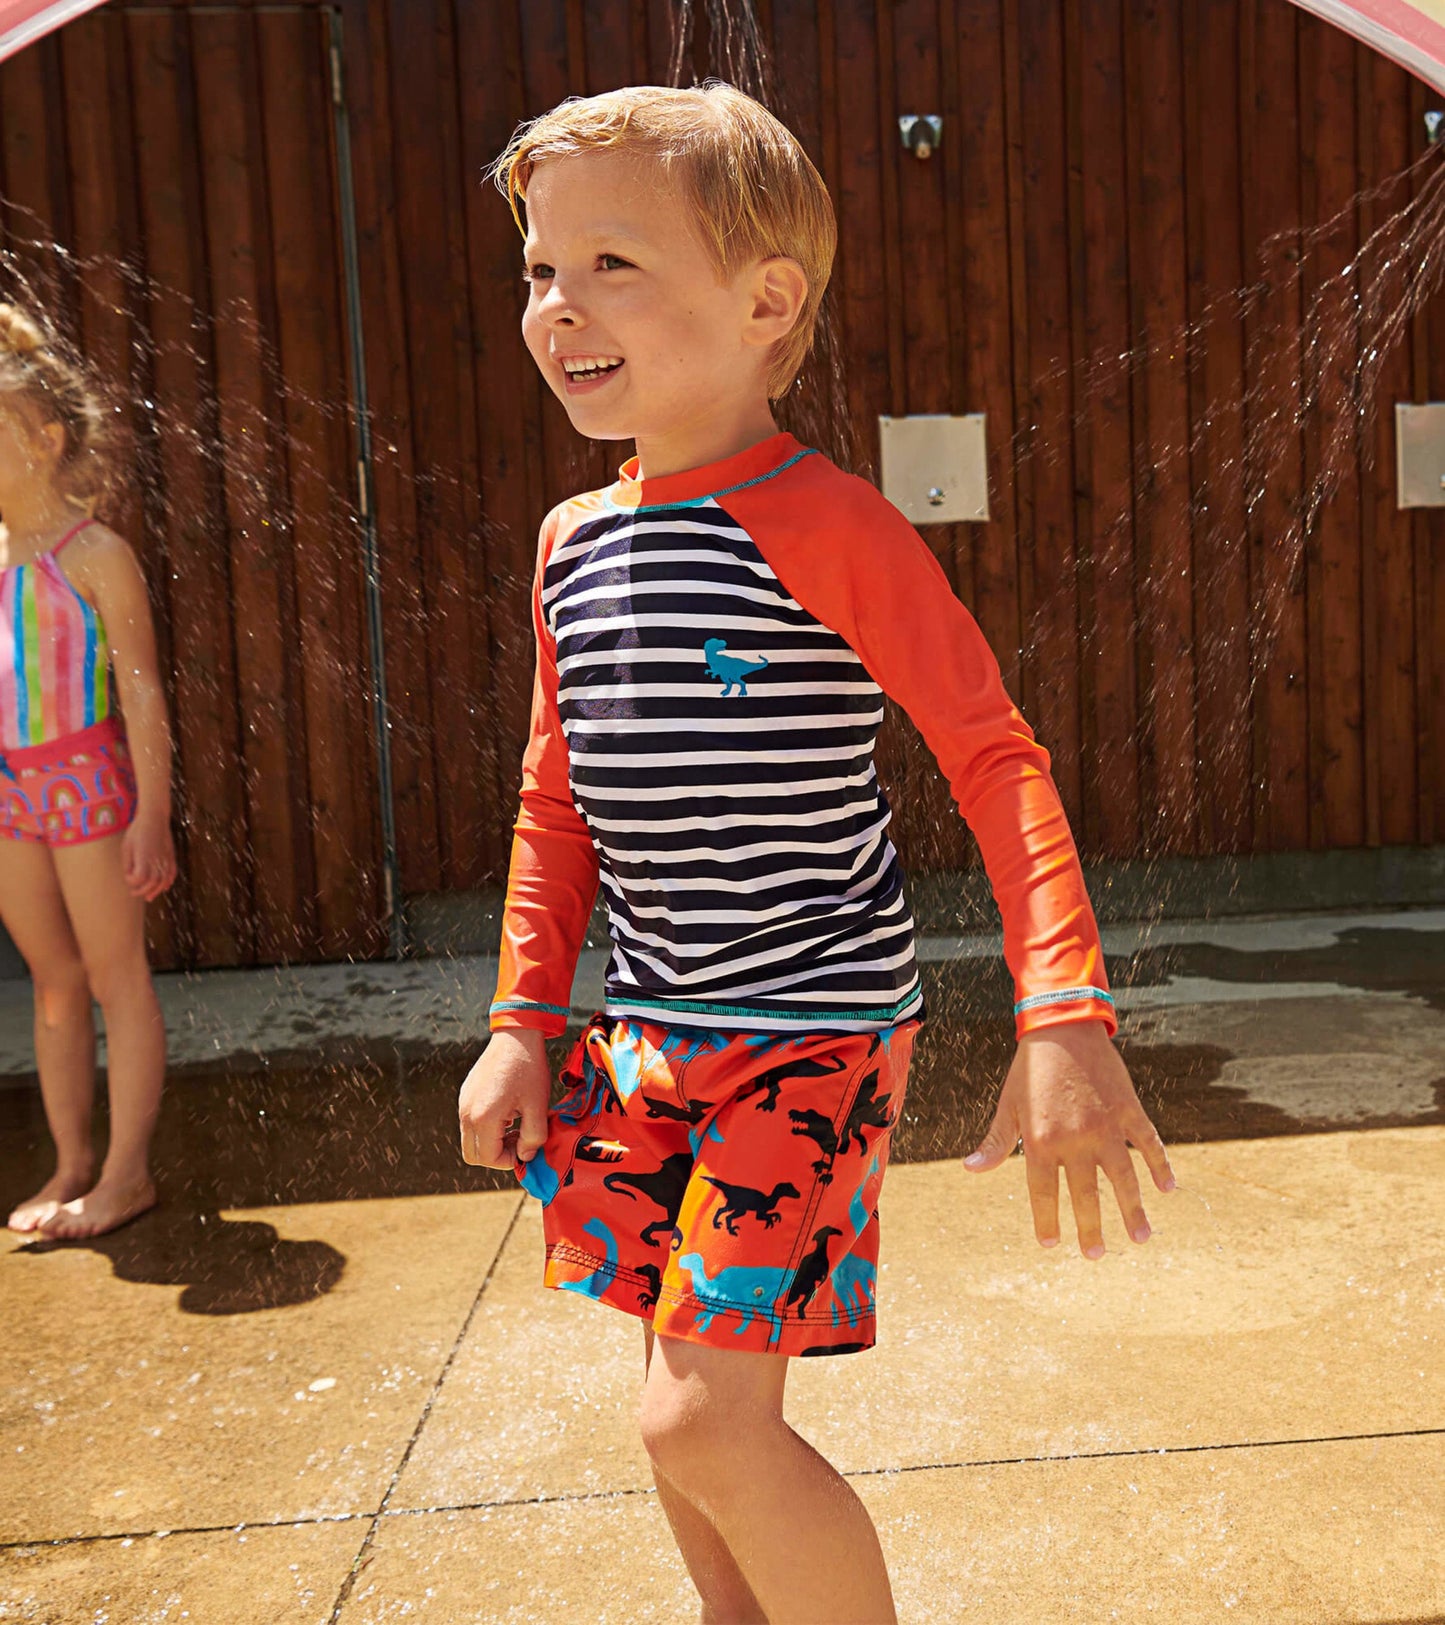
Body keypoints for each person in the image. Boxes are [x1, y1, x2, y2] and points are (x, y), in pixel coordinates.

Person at [458, 84, 1175, 1624]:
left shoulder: (827, 524)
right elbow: (554, 797)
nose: (556, 305)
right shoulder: (570, 541)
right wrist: (524, 1019)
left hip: (807, 1029)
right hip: (643, 1032)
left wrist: (1064, 1014)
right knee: (681, 1401)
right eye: (538, 268)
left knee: (699, 1415)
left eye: (610, 264)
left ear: (766, 299)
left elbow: (995, 755)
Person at [0, 301, 175, 1240]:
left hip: (88, 788)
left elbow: (143, 694)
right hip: (9, 792)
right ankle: (70, 1160)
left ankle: (126, 1170)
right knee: (53, 978)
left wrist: (153, 812)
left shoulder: (94, 554)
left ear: (45, 438)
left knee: (116, 976)